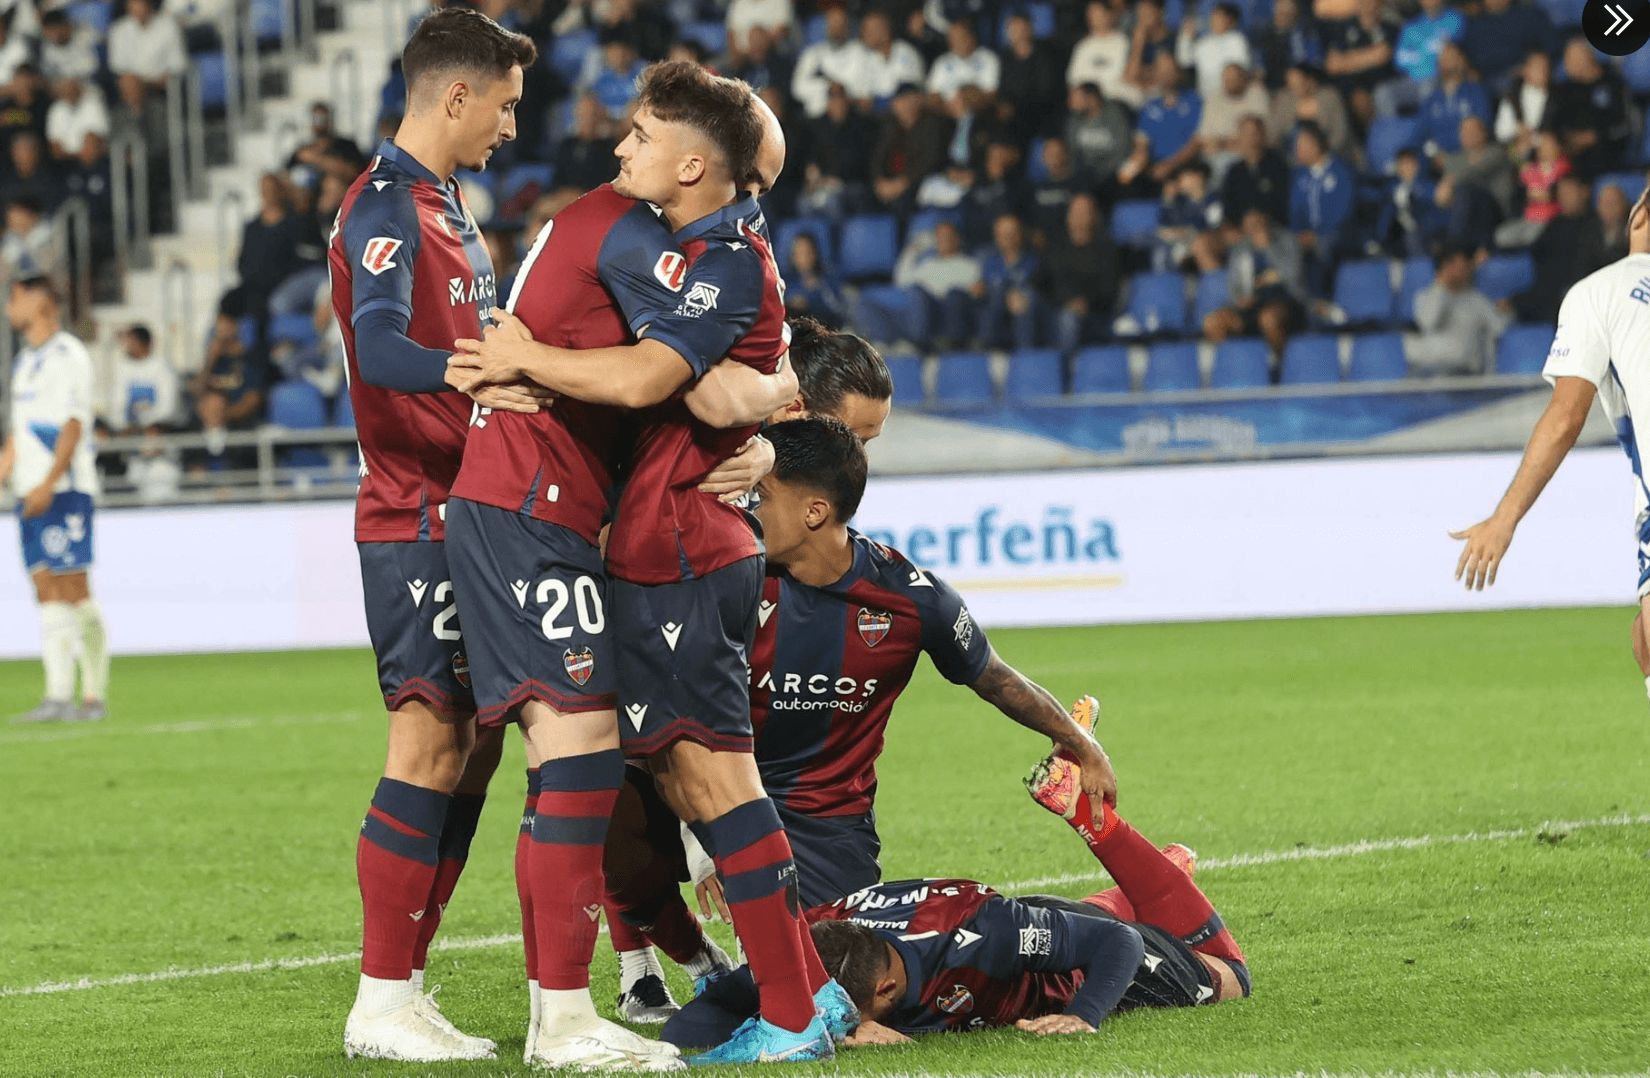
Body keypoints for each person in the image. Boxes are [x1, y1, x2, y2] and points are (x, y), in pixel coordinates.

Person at [448, 62, 854, 1067]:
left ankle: (780, 1011)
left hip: (672, 548)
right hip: (673, 542)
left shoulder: (709, 256)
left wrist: (523, 354)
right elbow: (737, 391)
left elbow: (685, 390)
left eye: (638, 133)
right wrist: (774, 404)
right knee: (685, 776)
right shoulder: (703, 247)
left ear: (690, 164)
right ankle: (795, 993)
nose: (616, 145)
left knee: (696, 780)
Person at [325, 9, 541, 1064]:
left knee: (473, 747)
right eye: (502, 104)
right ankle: (378, 998)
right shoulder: (382, 208)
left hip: (479, 511)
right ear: (455, 96)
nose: (509, 125)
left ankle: (407, 984)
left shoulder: (450, 205)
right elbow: (375, 347)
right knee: (429, 740)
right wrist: (478, 371)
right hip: (417, 513)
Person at [663, 693, 1243, 1048]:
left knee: (1231, 974)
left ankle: (1103, 829)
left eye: (839, 1016)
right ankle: (1157, 878)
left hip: (1068, 964)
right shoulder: (812, 941)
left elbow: (1111, 945)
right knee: (1083, 917)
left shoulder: (979, 940)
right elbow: (699, 1018)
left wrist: (1084, 1016)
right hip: (1035, 925)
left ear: (885, 988)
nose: (826, 1025)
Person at [1451, 187, 1650, 696]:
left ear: (1638, 214)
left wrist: (1504, 518)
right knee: (1644, 641)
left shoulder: (1598, 293)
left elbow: (1566, 417)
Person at [1, 276, 108, 724]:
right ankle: (57, 694)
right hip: (29, 490)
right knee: (45, 588)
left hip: (63, 489)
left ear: (38, 302)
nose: (8, 307)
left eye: (14, 298)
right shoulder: (25, 362)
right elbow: (19, 433)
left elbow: (73, 425)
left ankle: (93, 695)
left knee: (72, 586)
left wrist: (49, 481)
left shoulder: (68, 354)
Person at [1405, 245, 1509, 375]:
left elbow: (1499, 328)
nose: (1461, 270)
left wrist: (1505, 310)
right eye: (1454, 266)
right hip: (1428, 368)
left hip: (1462, 372)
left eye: (1464, 266)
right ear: (1444, 267)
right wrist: (1442, 287)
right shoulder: (1425, 296)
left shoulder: (1477, 300)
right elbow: (1429, 322)